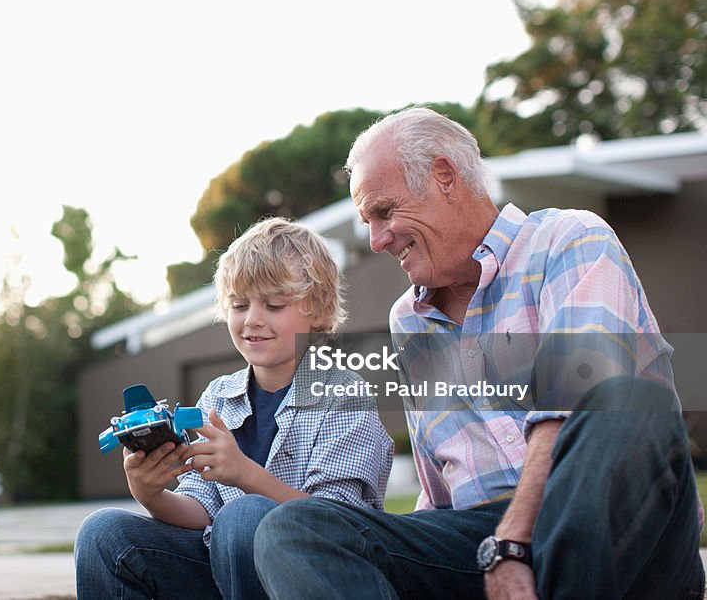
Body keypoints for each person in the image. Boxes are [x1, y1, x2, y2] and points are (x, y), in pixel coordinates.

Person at [253, 107, 704, 599]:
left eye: (383, 212)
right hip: (482, 546)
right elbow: (438, 494)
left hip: (613, 525)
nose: (377, 240)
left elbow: (578, 399)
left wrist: (513, 542)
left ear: (444, 177)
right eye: (367, 222)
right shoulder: (407, 321)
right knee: (296, 528)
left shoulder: (568, 239)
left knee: (627, 401)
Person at [75, 217, 394, 600]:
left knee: (242, 517)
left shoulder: (342, 395)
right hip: (224, 571)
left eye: (274, 304)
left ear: (319, 310)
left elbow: (342, 525)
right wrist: (150, 494)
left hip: (310, 577)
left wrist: (246, 474)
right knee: (102, 532)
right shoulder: (218, 398)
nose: (253, 319)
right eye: (240, 304)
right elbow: (200, 510)